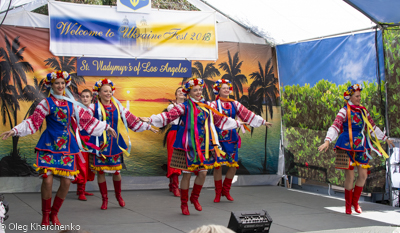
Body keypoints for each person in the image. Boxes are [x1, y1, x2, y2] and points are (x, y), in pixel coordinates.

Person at [0, 71, 117, 225]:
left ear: (66, 84)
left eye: (63, 83)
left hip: (67, 145)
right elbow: (33, 121)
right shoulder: (45, 103)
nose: (60, 86)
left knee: (66, 182)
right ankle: (45, 214)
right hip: (49, 144)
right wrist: (15, 130)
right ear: (51, 85)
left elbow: (86, 119)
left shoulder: (71, 103)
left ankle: (54, 214)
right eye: (57, 83)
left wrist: (105, 126)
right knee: (47, 181)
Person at [140, 77, 246, 215]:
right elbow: (168, 116)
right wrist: (150, 119)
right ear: (188, 93)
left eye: (200, 90)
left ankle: (194, 198)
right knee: (187, 175)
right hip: (188, 145)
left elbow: (219, 120)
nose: (198, 92)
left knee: (202, 173)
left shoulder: (207, 106)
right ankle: (184, 204)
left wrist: (238, 123)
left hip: (202, 145)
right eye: (195, 90)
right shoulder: (183, 106)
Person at [318, 84, 394, 215]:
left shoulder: (363, 111)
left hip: (361, 145)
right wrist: (327, 141)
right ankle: (348, 205)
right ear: (350, 97)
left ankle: (355, 202)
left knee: (363, 175)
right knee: (350, 176)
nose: (359, 98)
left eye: (360, 96)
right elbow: (335, 125)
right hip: (346, 144)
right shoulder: (344, 110)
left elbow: (372, 127)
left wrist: (385, 138)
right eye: (357, 96)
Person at [87, 78, 157, 210]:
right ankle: (105, 199)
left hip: (114, 143)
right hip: (99, 143)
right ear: (99, 93)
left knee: (117, 171)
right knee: (100, 172)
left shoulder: (117, 107)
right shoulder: (93, 108)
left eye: (110, 91)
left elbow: (131, 119)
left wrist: (147, 126)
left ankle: (118, 196)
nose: (108, 94)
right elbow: (84, 120)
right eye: (105, 91)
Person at [210, 79, 272, 202]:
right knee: (218, 166)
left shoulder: (234, 104)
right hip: (219, 138)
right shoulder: (213, 105)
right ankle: (217, 193)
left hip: (231, 138)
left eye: (228, 88)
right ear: (218, 90)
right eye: (223, 88)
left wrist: (262, 122)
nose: (227, 90)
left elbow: (247, 114)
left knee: (233, 166)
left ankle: (226, 190)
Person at [71, 89, 96, 201]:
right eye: (83, 96)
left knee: (89, 166)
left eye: (87, 96)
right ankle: (81, 191)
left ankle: (82, 189)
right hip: (80, 140)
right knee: (81, 164)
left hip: (91, 140)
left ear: (91, 98)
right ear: (80, 97)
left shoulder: (95, 109)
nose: (85, 98)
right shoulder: (76, 109)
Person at [165, 87, 186, 197]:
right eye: (179, 92)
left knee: (183, 159)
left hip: (184, 134)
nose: (181, 93)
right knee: (173, 158)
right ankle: (175, 186)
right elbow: (176, 119)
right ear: (176, 95)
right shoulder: (171, 107)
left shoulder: (189, 106)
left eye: (183, 91)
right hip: (174, 133)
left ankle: (174, 184)